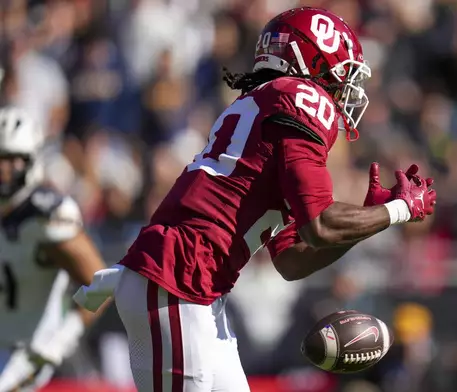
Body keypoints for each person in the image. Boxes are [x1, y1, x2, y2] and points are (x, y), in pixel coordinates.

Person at [74, 7, 437, 392]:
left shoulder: (269, 104)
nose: (346, 87)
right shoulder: (300, 96)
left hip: (196, 286)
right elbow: (321, 225)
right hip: (178, 278)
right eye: (342, 72)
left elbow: (293, 259)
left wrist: (370, 220)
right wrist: (398, 210)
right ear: (310, 59)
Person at [0, 107, 106, 391]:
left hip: (26, 354)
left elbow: (102, 283)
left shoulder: (44, 216)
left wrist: (58, 341)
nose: (3, 170)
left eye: (12, 160)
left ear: (32, 161)